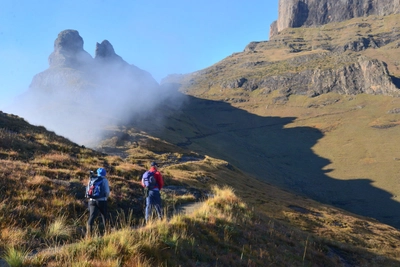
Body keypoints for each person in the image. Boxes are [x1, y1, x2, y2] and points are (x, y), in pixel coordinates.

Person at [86, 167, 110, 236]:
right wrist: (106, 198)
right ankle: (107, 233)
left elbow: (88, 191)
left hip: (92, 201)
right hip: (102, 200)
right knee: (104, 216)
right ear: (104, 173)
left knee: (92, 216)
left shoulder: (91, 179)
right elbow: (107, 192)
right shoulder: (104, 180)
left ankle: (89, 234)